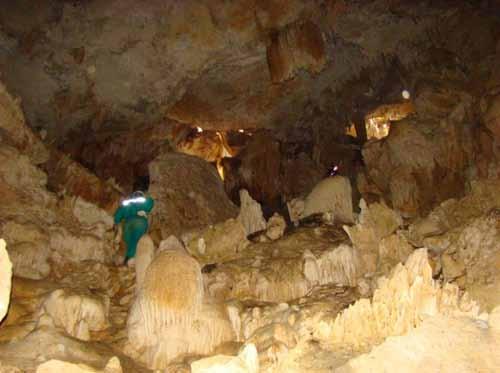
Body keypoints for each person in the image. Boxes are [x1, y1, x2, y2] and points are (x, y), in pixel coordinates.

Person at [114, 190, 154, 265]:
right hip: (140, 222)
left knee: (128, 241)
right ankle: (132, 259)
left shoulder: (128, 203)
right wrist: (147, 197)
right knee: (136, 240)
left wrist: (117, 225)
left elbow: (117, 216)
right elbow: (151, 203)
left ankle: (127, 258)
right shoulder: (143, 202)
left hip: (127, 224)